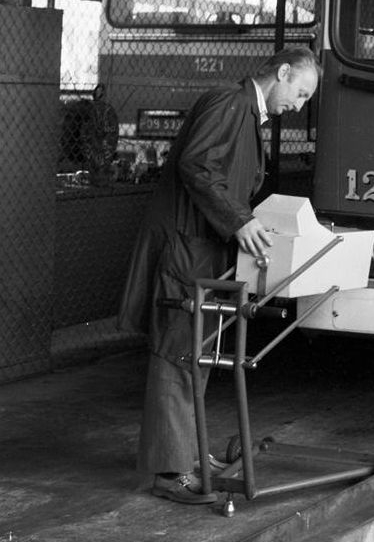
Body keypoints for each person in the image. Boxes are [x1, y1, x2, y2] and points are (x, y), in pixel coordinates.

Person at [117, 46, 322, 504]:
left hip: (205, 250)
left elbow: (223, 179)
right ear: (283, 73)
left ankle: (185, 452)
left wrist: (247, 220)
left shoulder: (247, 114)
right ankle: (170, 473)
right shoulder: (229, 102)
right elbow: (197, 165)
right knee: (178, 352)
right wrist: (240, 221)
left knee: (198, 350)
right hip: (188, 250)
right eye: (301, 93)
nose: (299, 105)